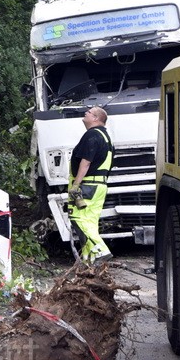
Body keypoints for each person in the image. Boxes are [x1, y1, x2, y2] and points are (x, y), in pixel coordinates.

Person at [68, 106, 114, 262]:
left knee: (78, 219)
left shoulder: (92, 135)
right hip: (100, 186)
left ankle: (101, 251)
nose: (85, 113)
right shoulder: (106, 137)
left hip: (88, 185)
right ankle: (89, 261)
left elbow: (86, 162)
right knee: (91, 224)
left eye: (89, 112)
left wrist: (76, 184)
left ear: (96, 118)